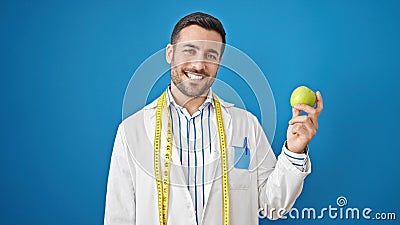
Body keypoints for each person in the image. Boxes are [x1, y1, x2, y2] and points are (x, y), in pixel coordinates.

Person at [104, 12, 323, 225]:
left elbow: (273, 206)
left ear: (219, 63)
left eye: (210, 55)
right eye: (189, 51)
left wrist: (294, 151)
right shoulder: (131, 131)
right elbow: (118, 217)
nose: (199, 65)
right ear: (170, 53)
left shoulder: (246, 125)